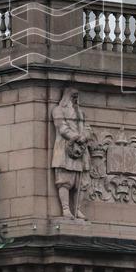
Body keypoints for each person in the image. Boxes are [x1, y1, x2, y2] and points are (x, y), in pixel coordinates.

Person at [50, 87, 92, 220]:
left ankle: (78, 209)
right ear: (67, 97)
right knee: (64, 180)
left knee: (82, 182)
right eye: (73, 96)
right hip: (65, 149)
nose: (75, 99)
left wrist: (85, 136)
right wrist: (76, 137)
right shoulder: (58, 110)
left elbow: (87, 127)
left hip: (81, 150)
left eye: (76, 97)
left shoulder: (81, 113)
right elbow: (62, 128)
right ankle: (66, 209)